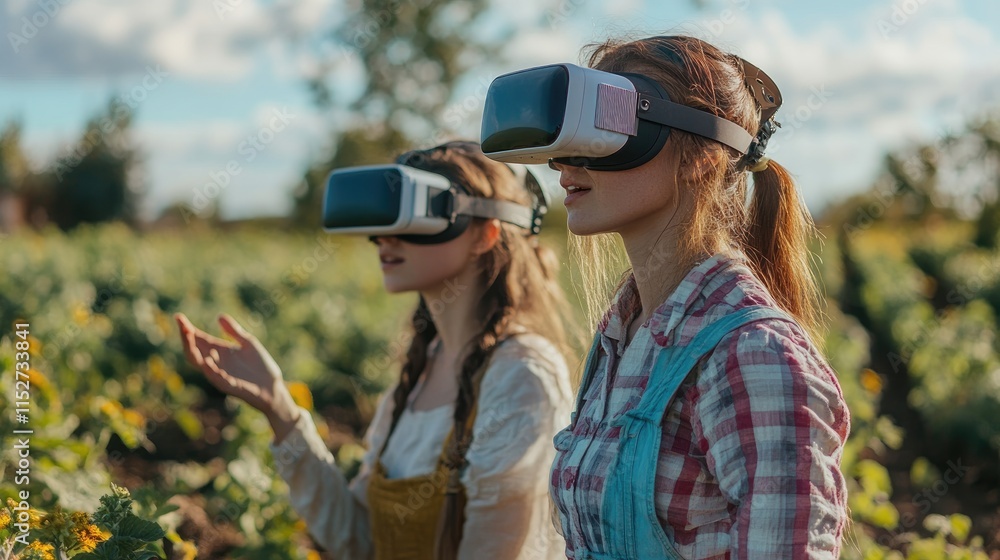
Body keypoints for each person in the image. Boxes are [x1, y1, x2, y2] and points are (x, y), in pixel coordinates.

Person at [175, 141, 576, 559]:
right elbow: (360, 539)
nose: (384, 237)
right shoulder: (421, 371)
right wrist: (279, 408)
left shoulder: (521, 376)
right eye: (383, 217)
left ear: (485, 233)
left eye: (418, 214)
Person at [538, 35, 851, 558]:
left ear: (702, 157)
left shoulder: (752, 357)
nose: (567, 161)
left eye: (607, 125)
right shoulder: (622, 338)